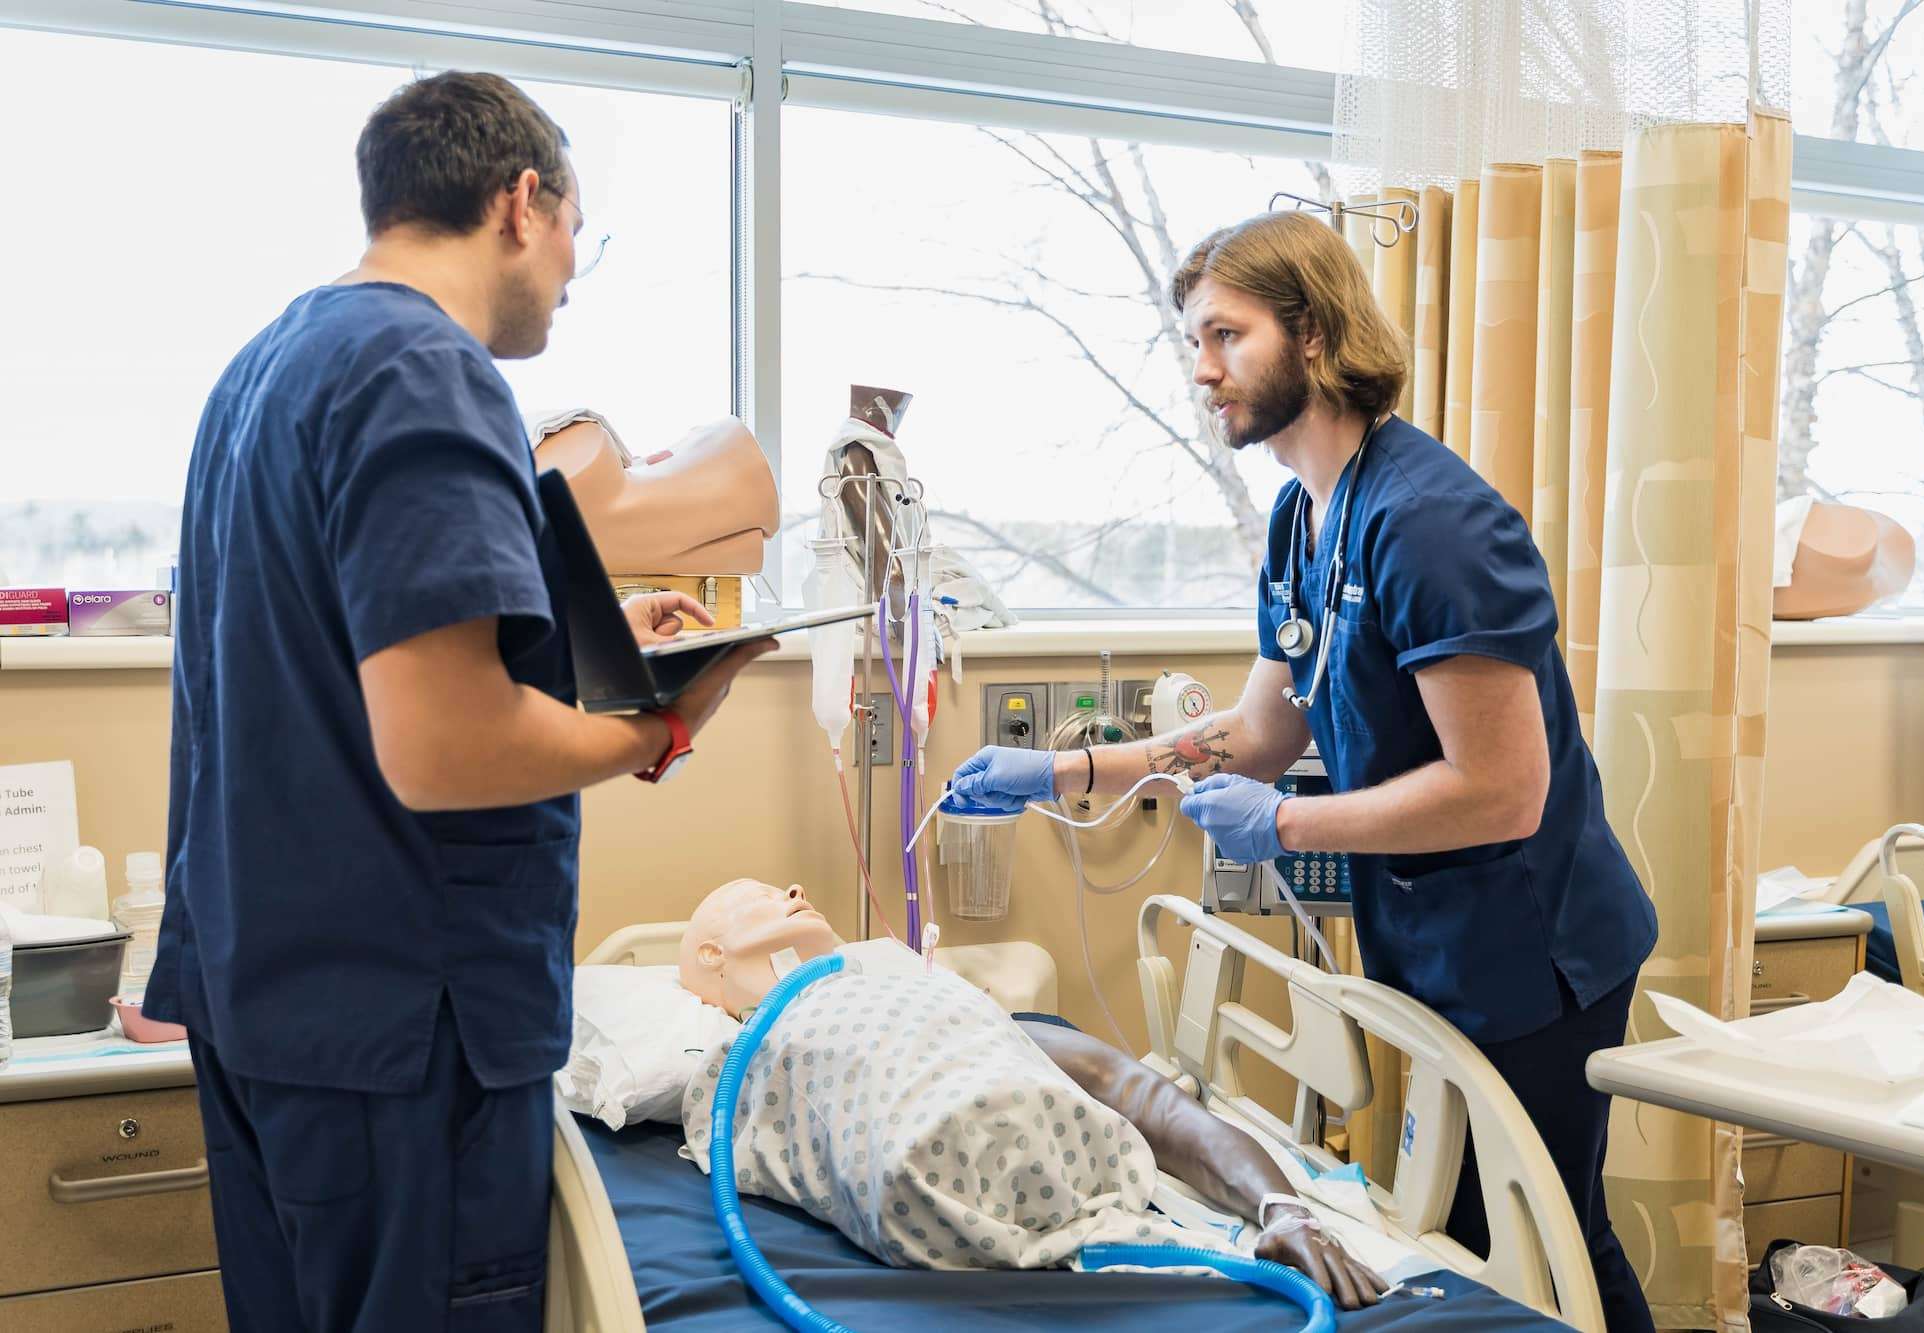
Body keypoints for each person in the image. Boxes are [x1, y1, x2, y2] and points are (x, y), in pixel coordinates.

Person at [949, 210, 1659, 1332]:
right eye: (1194, 341)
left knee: (1542, 1235)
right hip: (1429, 931)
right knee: (1486, 1234)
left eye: (1225, 336)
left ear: (1314, 333)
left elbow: (1501, 789)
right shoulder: (1299, 515)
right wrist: (1064, 768)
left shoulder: (1431, 525)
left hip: (1536, 947)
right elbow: (1262, 733)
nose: (1201, 370)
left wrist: (1284, 831)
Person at [144, 71, 772, 1331]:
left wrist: (587, 643)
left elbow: (322, 659)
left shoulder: (264, 369)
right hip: (400, 1023)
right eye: (576, 233)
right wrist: (658, 722)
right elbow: (442, 748)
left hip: (268, 995)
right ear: (521, 198)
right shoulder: (428, 369)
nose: (572, 271)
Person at [676, 878, 1389, 1309]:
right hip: (907, 1183)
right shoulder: (727, 1070)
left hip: (1046, 1154)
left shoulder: (934, 995)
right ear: (710, 957)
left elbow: (1138, 1093)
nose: (796, 892)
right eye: (762, 899)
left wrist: (1283, 1208)